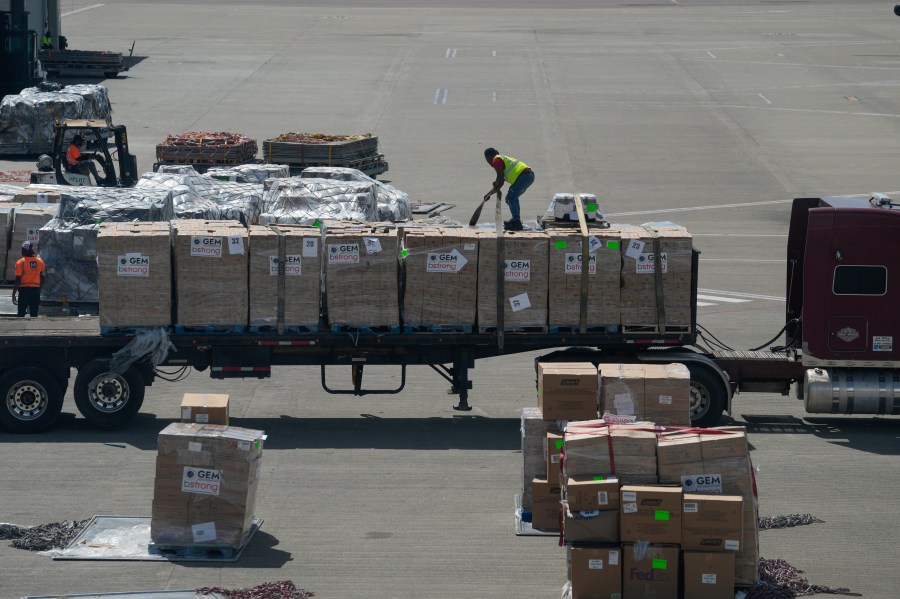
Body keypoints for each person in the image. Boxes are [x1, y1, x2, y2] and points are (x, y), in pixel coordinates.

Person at [483, 147, 534, 231]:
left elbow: (499, 177)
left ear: (489, 157)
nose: (488, 162)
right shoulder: (501, 159)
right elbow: (500, 182)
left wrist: (496, 183)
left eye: (487, 160)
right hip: (528, 176)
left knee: (510, 198)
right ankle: (516, 220)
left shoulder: (496, 160)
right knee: (513, 198)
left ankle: (517, 223)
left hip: (524, 176)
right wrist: (490, 194)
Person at [12, 241, 46, 318]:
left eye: (22, 249)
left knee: (21, 314)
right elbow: (43, 278)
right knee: (34, 314)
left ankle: (21, 329)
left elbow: (18, 279)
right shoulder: (40, 262)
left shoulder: (20, 262)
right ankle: (32, 328)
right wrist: (39, 290)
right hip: (35, 291)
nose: (21, 251)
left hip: (24, 291)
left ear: (26, 250)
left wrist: (14, 293)